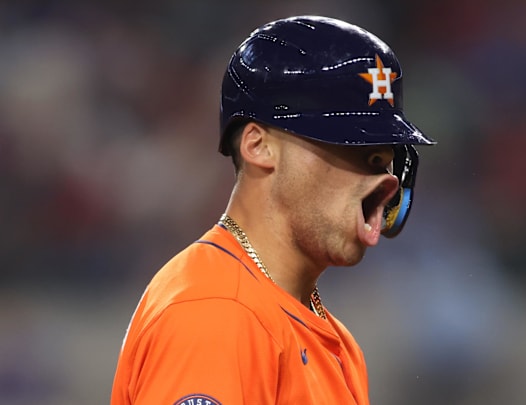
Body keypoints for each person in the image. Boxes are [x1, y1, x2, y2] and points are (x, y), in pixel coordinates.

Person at [110, 15, 435, 405]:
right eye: (347, 145)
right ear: (258, 146)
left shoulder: (331, 336)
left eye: (380, 158)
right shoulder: (216, 313)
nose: (378, 181)